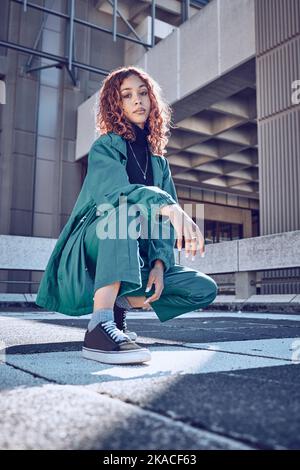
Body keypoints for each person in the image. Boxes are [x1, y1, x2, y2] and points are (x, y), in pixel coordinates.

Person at [36, 66, 218, 365]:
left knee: (201, 288)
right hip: (94, 245)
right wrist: (171, 207)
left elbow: (160, 226)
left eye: (143, 93)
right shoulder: (104, 147)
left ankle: (118, 307)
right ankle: (99, 327)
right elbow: (116, 195)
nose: (138, 101)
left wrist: (159, 264)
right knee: (122, 214)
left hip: (133, 257)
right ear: (115, 104)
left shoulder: (159, 163)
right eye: (127, 95)